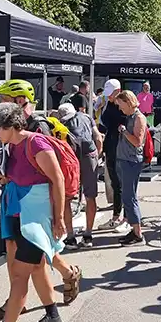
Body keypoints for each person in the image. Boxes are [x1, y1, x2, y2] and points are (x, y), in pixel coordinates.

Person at [0, 103, 67, 322]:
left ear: (10, 126)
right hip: (21, 215)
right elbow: (24, 175)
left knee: (20, 275)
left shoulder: (36, 144)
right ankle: (52, 315)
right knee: (36, 269)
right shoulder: (12, 146)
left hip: (35, 220)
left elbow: (57, 179)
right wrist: (6, 178)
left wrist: (58, 218)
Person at [0, 79, 82, 317]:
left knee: (38, 253)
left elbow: (51, 175)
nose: (0, 105)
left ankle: (64, 278)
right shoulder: (10, 125)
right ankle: (19, 299)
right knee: (15, 249)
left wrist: (57, 215)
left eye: (4, 100)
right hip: (13, 196)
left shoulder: (38, 128)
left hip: (34, 202)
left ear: (19, 101)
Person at [59, 96, 103, 247]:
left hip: (71, 160)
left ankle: (70, 236)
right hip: (90, 156)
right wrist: (97, 154)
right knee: (91, 196)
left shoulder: (61, 123)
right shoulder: (87, 118)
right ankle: (88, 235)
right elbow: (98, 137)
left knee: (67, 198)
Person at [114, 90, 147, 246]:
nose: (120, 109)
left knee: (129, 196)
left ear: (128, 102)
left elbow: (138, 141)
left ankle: (137, 233)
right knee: (127, 196)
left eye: (121, 105)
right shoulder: (130, 117)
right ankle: (134, 230)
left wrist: (124, 131)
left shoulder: (139, 117)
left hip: (132, 161)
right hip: (125, 159)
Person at [99, 78, 128, 232]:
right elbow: (104, 125)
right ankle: (116, 216)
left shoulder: (124, 106)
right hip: (110, 147)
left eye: (111, 94)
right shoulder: (109, 105)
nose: (109, 96)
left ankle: (125, 218)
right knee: (115, 184)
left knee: (123, 185)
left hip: (122, 149)